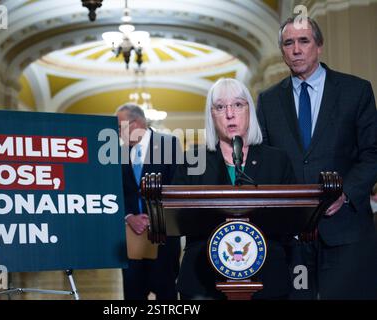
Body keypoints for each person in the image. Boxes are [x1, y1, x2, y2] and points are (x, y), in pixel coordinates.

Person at [256, 16, 377, 299]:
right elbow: (264, 162)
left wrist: (344, 193)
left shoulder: (355, 91)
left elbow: (373, 153)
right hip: (292, 236)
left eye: (303, 41)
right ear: (282, 50)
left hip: (346, 230)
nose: (296, 49)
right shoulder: (268, 100)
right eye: (288, 43)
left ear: (319, 46)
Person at [172, 78, 296, 300]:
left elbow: (292, 220)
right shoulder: (193, 160)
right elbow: (176, 216)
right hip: (202, 278)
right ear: (212, 115)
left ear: (250, 110)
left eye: (238, 105)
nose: (230, 113)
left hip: (267, 276)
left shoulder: (277, 160)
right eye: (220, 107)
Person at [116, 103, 181, 300]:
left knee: (166, 294)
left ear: (135, 123)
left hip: (164, 237)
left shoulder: (169, 144)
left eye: (119, 127)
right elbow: (116, 192)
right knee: (133, 294)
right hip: (131, 238)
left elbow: (177, 186)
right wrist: (129, 216)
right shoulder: (117, 152)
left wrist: (155, 217)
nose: (117, 132)